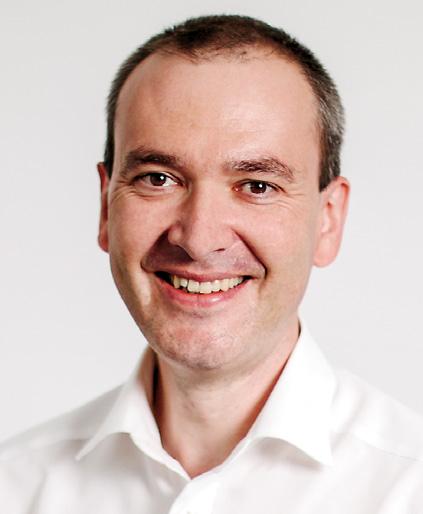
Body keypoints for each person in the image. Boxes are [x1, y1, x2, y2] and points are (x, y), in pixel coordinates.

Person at [1, 14, 422, 513]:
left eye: (257, 186)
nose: (200, 240)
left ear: (328, 220)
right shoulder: (16, 487)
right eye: (158, 178)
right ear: (106, 206)